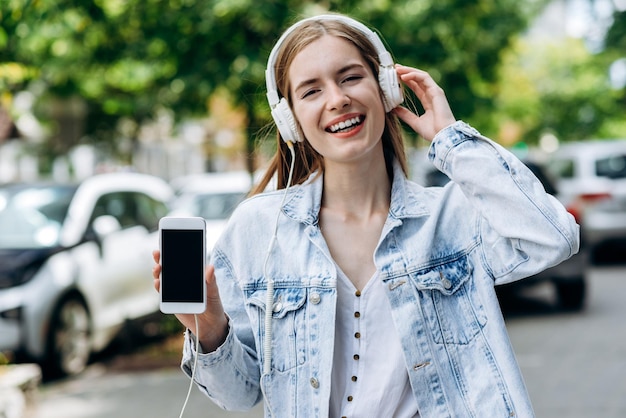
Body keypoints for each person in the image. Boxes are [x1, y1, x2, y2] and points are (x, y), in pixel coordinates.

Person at [152, 13, 579, 418]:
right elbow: (238, 393)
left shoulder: (451, 218)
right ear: (291, 120)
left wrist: (451, 140)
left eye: (351, 77)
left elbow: (554, 237)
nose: (337, 100)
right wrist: (208, 327)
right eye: (311, 90)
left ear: (386, 89)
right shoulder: (259, 231)